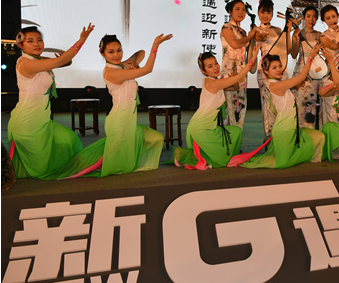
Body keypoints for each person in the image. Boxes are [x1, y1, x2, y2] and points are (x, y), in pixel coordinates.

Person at [50, 33, 172, 179]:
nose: (116, 55)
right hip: (119, 122)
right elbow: (147, 69)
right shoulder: (112, 73)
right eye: (111, 52)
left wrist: (128, 63)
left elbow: (141, 53)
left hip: (128, 121)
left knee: (155, 139)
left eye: (119, 50)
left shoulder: (120, 67)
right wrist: (155, 46)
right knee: (116, 166)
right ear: (102, 53)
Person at [7, 24, 95, 179]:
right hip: (28, 121)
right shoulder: (26, 63)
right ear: (21, 44)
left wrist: (64, 59)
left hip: (42, 120)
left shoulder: (36, 59)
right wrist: (82, 39)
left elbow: (65, 62)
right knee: (39, 168)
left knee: (68, 138)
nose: (36, 44)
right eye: (30, 41)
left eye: (39, 40)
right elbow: (61, 61)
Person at [229, 44, 325, 169]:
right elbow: (301, 77)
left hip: (291, 128)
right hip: (284, 130)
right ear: (266, 71)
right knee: (282, 163)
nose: (279, 69)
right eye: (274, 68)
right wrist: (310, 56)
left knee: (318, 137)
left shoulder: (279, 84)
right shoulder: (276, 86)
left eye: (280, 66)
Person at [171, 46, 259, 169]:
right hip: (202, 128)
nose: (216, 67)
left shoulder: (213, 82)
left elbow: (234, 87)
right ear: (204, 71)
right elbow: (239, 78)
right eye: (210, 66)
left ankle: (191, 158)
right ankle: (188, 158)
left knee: (235, 131)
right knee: (225, 148)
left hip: (202, 125)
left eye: (216, 63)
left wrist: (231, 78)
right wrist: (253, 57)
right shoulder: (213, 83)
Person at [253, 0, 292, 139]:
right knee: (268, 106)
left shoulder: (277, 30)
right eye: (263, 12)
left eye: (268, 13)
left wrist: (288, 31)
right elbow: (258, 40)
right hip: (265, 70)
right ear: (258, 13)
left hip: (280, 69)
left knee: (282, 104)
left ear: (273, 14)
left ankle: (282, 136)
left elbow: (287, 50)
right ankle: (269, 138)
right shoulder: (256, 30)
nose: (265, 15)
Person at [219, 0, 256, 130]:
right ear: (230, 11)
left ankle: (237, 136)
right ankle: (228, 137)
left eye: (243, 10)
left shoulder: (243, 32)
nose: (241, 12)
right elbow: (234, 44)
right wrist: (250, 37)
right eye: (237, 9)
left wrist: (252, 36)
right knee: (229, 105)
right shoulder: (226, 27)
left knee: (240, 105)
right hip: (229, 71)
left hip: (241, 72)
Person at [291, 6, 324, 128]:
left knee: (311, 104)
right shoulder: (298, 33)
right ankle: (300, 133)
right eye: (308, 16)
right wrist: (295, 38)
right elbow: (294, 54)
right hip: (301, 71)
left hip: (314, 73)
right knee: (300, 104)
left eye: (314, 16)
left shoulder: (319, 35)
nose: (311, 19)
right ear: (304, 17)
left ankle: (310, 132)